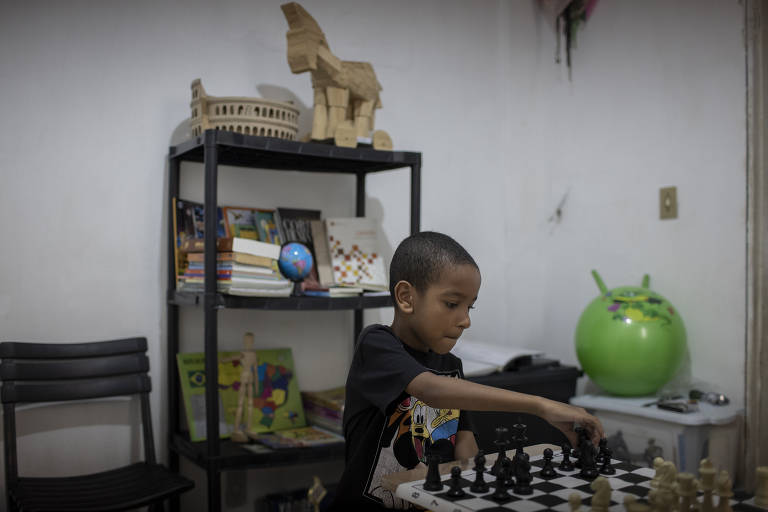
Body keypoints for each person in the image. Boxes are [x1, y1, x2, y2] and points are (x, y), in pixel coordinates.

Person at [332, 231, 605, 510]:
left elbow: (465, 451)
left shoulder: (451, 367)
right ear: (406, 297)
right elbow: (431, 391)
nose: (465, 320)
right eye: (452, 304)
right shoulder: (377, 345)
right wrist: (540, 406)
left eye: (469, 306)